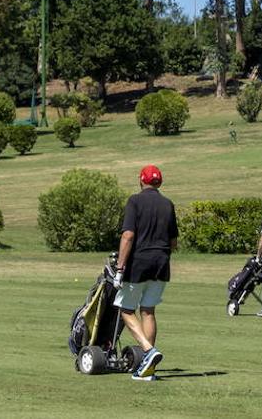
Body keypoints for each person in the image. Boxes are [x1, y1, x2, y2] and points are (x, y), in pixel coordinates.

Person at [113, 164, 178, 382]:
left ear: (141, 181)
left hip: (139, 263)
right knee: (148, 311)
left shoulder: (135, 201)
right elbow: (174, 242)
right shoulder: (168, 204)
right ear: (160, 182)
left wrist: (120, 267)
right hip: (162, 263)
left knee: (126, 310)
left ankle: (148, 351)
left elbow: (128, 235)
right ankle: (146, 367)